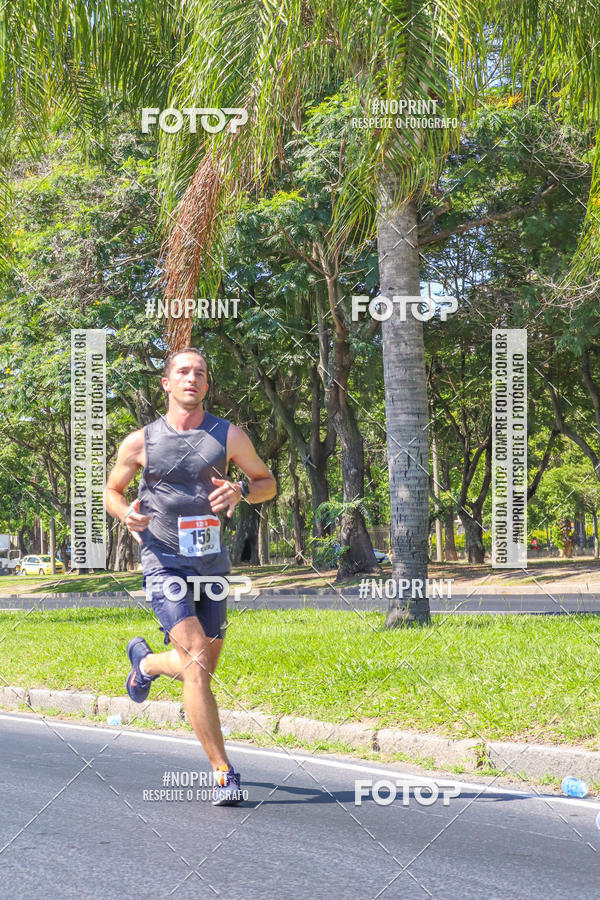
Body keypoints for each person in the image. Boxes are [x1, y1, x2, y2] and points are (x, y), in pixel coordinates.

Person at [105, 348, 276, 805]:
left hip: (212, 565)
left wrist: (241, 491)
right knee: (197, 658)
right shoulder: (139, 442)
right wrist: (127, 515)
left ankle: (143, 665)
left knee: (200, 668)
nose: (192, 378)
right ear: (166, 383)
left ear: (206, 384)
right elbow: (112, 491)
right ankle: (223, 773)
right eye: (182, 371)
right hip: (165, 562)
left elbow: (268, 483)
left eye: (200, 372)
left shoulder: (228, 435)